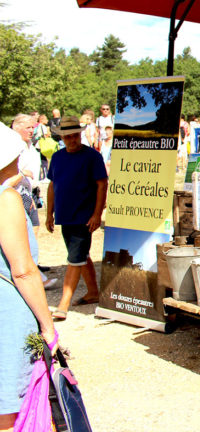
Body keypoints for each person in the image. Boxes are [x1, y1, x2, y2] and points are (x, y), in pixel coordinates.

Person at [0, 122, 58, 431]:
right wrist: (48, 327)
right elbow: (23, 271)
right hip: (8, 311)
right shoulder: (5, 198)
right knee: (10, 410)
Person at [47, 115, 108, 320]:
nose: (72, 140)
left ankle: (63, 304)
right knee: (81, 256)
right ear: (62, 138)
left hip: (84, 216)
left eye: (75, 136)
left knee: (74, 259)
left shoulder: (92, 156)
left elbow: (102, 184)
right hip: (65, 215)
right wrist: (49, 212)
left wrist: (97, 214)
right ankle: (92, 292)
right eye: (67, 137)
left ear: (80, 135)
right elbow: (51, 185)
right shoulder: (57, 157)